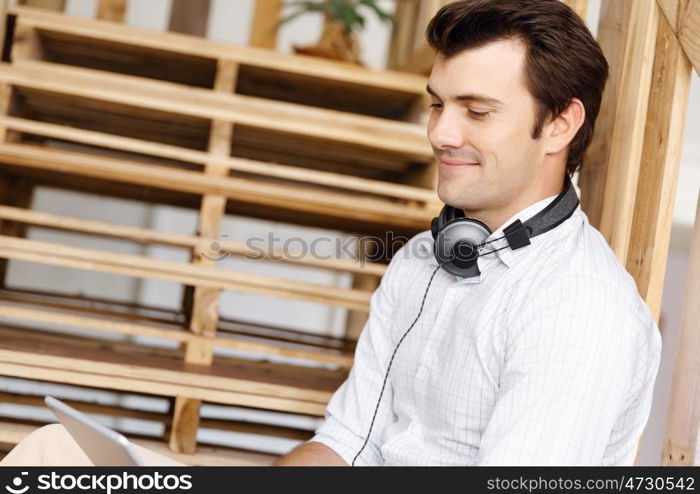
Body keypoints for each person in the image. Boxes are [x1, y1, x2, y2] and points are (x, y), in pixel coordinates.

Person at [1, 0, 662, 467]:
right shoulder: (426, 262)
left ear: (560, 125)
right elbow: (346, 441)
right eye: (438, 104)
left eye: (476, 111)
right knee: (52, 456)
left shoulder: (579, 312)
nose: (440, 134)